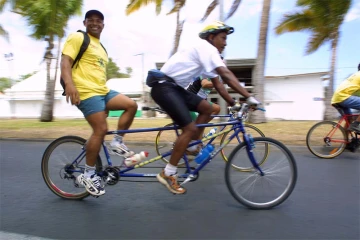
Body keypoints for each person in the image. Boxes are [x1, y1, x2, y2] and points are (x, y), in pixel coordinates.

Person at [146, 21, 260, 194]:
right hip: (164, 87)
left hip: (174, 88)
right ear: (211, 37)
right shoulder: (207, 48)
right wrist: (249, 96)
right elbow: (226, 75)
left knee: (209, 109)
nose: (225, 43)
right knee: (190, 128)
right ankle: (168, 173)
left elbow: (219, 85)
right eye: (223, 38)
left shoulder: (207, 53)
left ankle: (192, 145)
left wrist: (233, 104)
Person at [60, 10, 138, 196]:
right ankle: (88, 174)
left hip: (102, 91)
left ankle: (117, 142)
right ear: (85, 22)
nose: (95, 23)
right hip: (85, 92)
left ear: (103, 25)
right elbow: (65, 61)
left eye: (99, 21)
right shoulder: (78, 37)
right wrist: (70, 84)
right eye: (91, 20)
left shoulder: (101, 48)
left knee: (131, 105)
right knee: (100, 130)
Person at [331, 67, 360, 133]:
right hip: (343, 97)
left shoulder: (355, 75)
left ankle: (347, 142)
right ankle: (356, 125)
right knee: (352, 123)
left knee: (349, 120)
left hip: (336, 98)